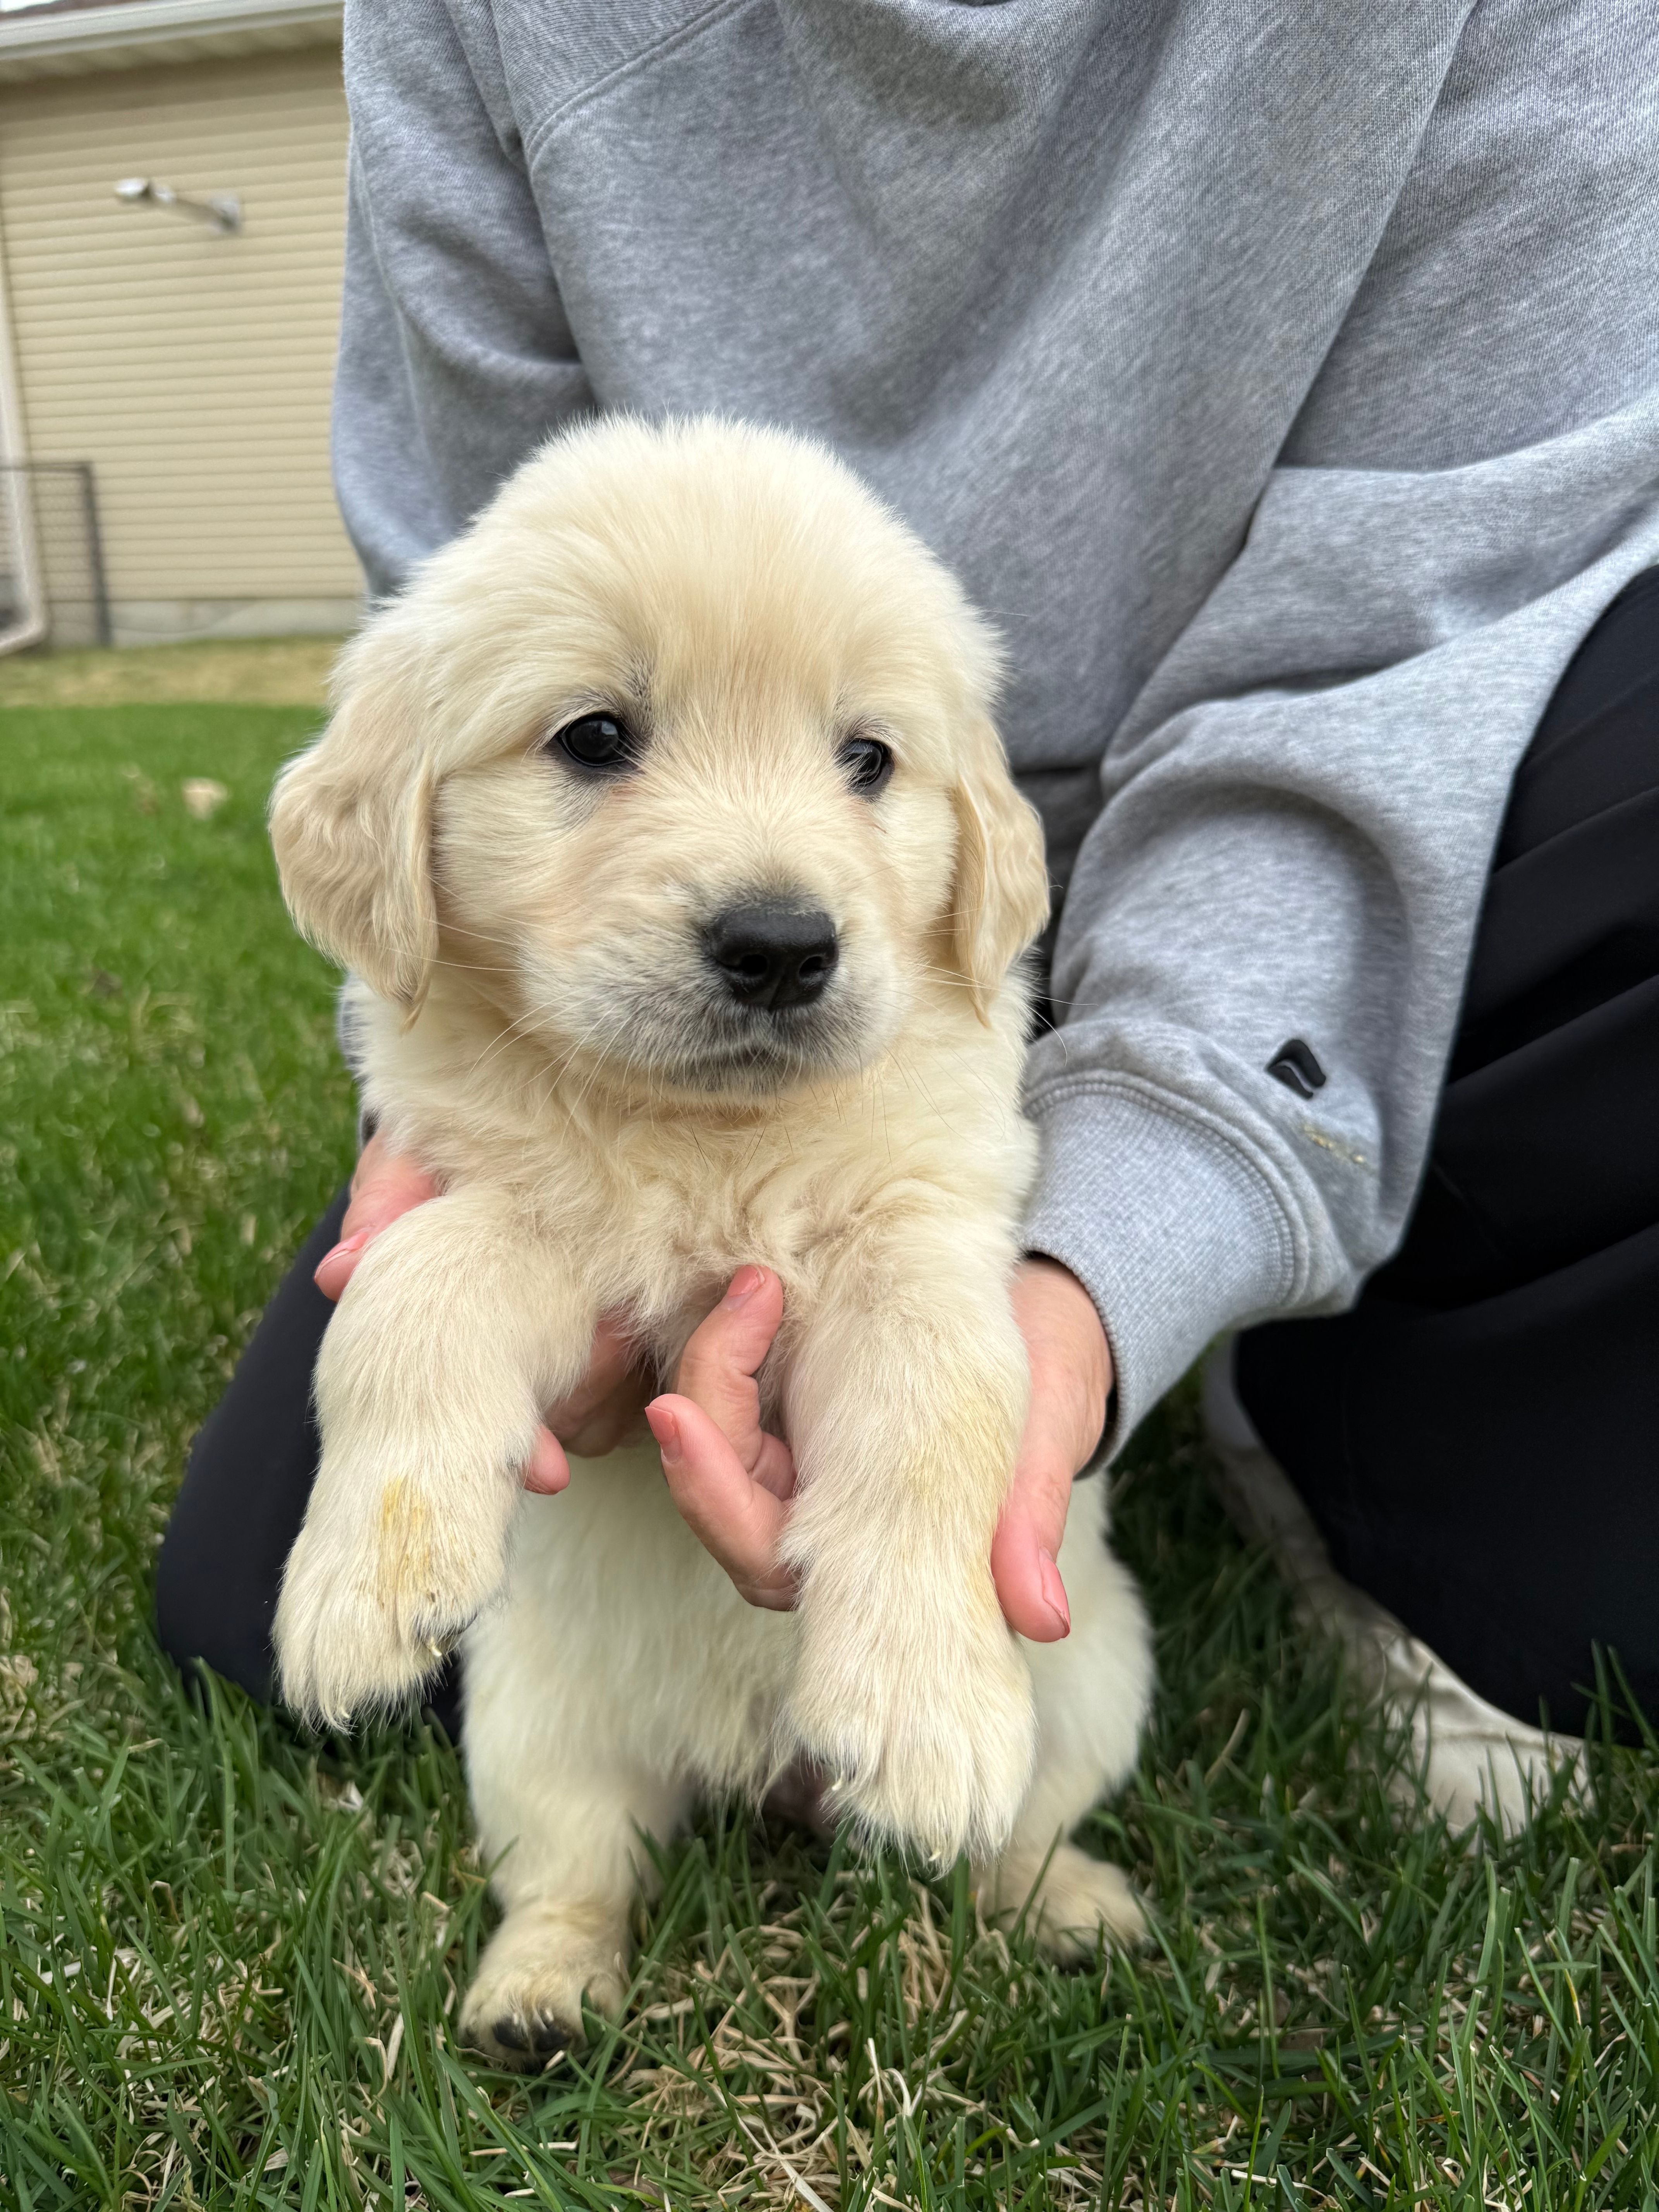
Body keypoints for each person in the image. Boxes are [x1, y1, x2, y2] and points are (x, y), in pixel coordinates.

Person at [158, 0, 1659, 1823]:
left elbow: (1412, 637)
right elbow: (469, 603)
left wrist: (1108, 1267)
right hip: (558, 1056)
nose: (773, 896)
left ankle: (1328, 1357)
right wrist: (436, 1183)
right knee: (251, 1616)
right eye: (605, 737)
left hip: (1370, 790)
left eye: (859, 756)